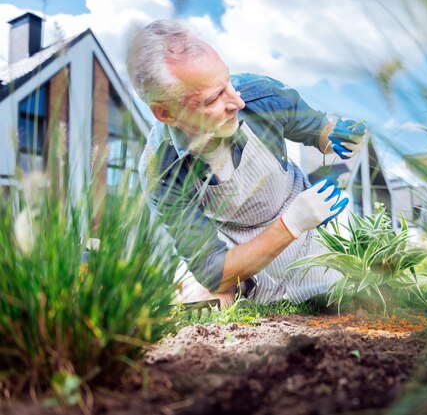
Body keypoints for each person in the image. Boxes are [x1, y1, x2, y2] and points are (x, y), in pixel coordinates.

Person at [126, 20, 368, 306]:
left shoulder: (261, 95)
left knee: (345, 295)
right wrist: (291, 223)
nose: (237, 102)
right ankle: (246, 294)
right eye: (214, 98)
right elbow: (212, 270)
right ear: (165, 113)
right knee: (195, 301)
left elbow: (320, 131)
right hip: (232, 252)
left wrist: (342, 136)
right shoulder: (161, 170)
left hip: (304, 233)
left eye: (227, 81)